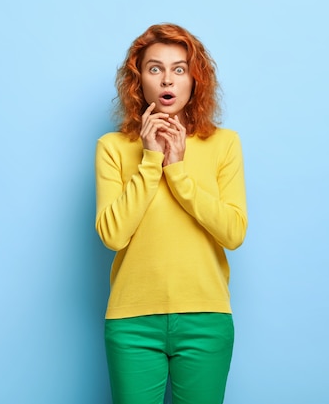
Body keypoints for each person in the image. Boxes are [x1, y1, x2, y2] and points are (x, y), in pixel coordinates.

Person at [95, 23, 248, 404]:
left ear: (195, 80)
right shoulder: (113, 147)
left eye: (179, 69)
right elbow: (113, 236)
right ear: (139, 80)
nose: (167, 79)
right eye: (155, 68)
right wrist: (151, 161)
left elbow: (233, 233)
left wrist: (177, 171)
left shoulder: (224, 144)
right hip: (132, 322)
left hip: (206, 318)